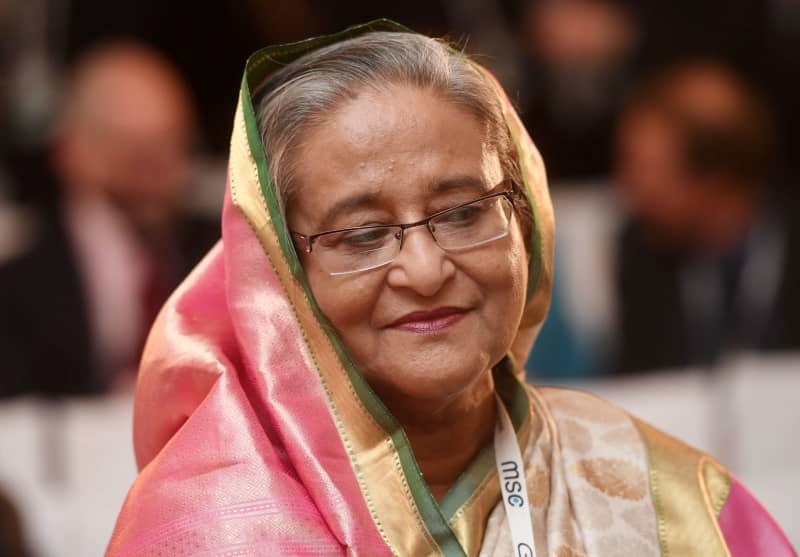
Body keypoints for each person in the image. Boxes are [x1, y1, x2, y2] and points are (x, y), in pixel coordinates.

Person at [107, 21, 796, 556]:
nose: (427, 268)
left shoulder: (660, 497)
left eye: (465, 212)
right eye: (363, 233)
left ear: (525, 219)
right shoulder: (205, 529)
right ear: (282, 275)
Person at [0, 43, 218, 397]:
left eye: (174, 148)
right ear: (69, 152)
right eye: (134, 157)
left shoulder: (218, 253)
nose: (157, 180)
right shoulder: (17, 284)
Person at [614, 61, 800, 373]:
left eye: (650, 170)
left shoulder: (790, 245)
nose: (632, 189)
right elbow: (642, 382)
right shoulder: (640, 252)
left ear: (717, 180)